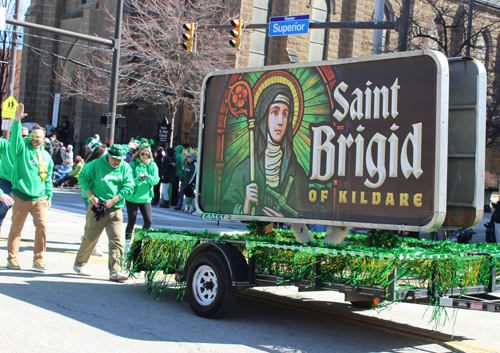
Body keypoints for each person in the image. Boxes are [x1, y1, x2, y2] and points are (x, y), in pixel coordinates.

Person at [222, 83, 309, 217]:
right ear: (264, 117)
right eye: (275, 112)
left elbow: (306, 217)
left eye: (285, 114)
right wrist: (245, 207)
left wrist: (285, 221)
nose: (281, 121)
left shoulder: (297, 174)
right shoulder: (245, 169)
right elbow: (224, 209)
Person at [73, 144, 134, 281]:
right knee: (91, 237)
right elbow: (83, 178)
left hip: (115, 207)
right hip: (97, 207)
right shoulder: (96, 164)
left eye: (119, 159)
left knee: (117, 240)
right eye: (113, 158)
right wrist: (91, 197)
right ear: (108, 155)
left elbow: (129, 186)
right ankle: (79, 264)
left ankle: (115, 271)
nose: (116, 161)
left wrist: (114, 200)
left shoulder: (125, 167)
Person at [7, 103, 54, 271]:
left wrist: (48, 195)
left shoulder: (47, 156)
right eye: (33, 135)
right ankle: (12, 258)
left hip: (40, 197)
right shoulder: (21, 149)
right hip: (21, 195)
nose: (35, 138)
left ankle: (38, 259)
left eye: (38, 136)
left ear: (44, 139)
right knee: (16, 229)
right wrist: (17, 122)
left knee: (42, 228)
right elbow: (14, 141)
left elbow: (48, 178)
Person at [124, 144, 159, 252]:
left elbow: (156, 180)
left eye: (147, 154)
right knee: (131, 221)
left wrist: (147, 177)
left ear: (150, 155)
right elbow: (128, 181)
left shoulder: (152, 165)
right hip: (132, 198)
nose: (144, 156)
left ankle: (141, 240)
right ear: (139, 153)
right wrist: (138, 180)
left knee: (148, 221)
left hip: (145, 198)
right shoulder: (132, 164)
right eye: (142, 154)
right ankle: (127, 243)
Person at [0, 126, 28, 235]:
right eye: (21, 135)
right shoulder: (5, 144)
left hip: (22, 183)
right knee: (2, 209)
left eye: (26, 135)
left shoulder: (29, 148)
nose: (23, 138)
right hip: (6, 182)